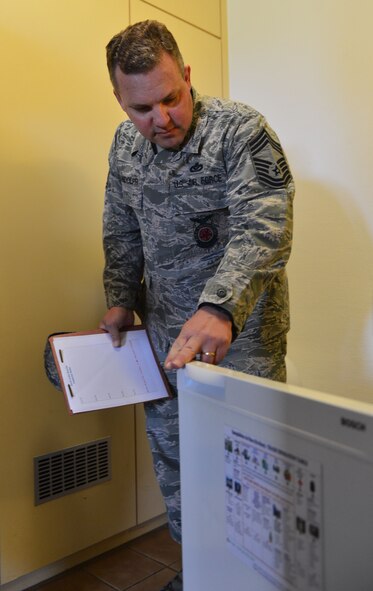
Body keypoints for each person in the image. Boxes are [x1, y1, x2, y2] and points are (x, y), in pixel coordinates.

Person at [100, 20, 294, 591]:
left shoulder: (241, 131)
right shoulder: (123, 146)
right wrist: (118, 300)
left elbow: (267, 226)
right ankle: (204, 575)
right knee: (180, 465)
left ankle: (257, 579)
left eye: (171, 98)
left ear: (187, 76)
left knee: (250, 472)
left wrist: (222, 308)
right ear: (119, 100)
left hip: (245, 341)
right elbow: (121, 229)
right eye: (142, 108)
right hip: (166, 343)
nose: (161, 119)